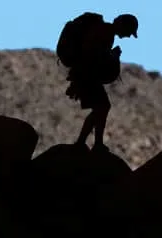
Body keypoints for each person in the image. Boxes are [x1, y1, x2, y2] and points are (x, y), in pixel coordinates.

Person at [55, 12, 139, 150]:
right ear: (122, 25)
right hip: (86, 75)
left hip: (85, 75)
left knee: (101, 107)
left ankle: (84, 142)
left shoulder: (105, 32)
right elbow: (92, 55)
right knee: (103, 107)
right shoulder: (104, 31)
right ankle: (95, 144)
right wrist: (112, 56)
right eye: (129, 31)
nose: (129, 35)